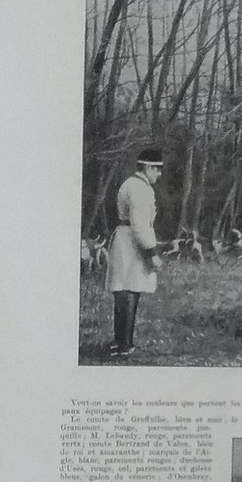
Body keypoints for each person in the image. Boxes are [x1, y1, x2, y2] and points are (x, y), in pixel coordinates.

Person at [106, 146, 164, 356]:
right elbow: (140, 224)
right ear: (147, 167)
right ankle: (125, 345)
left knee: (123, 289)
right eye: (157, 169)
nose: (159, 174)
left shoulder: (130, 183)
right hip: (132, 241)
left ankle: (119, 341)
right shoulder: (140, 189)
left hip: (125, 237)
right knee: (130, 290)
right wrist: (152, 252)